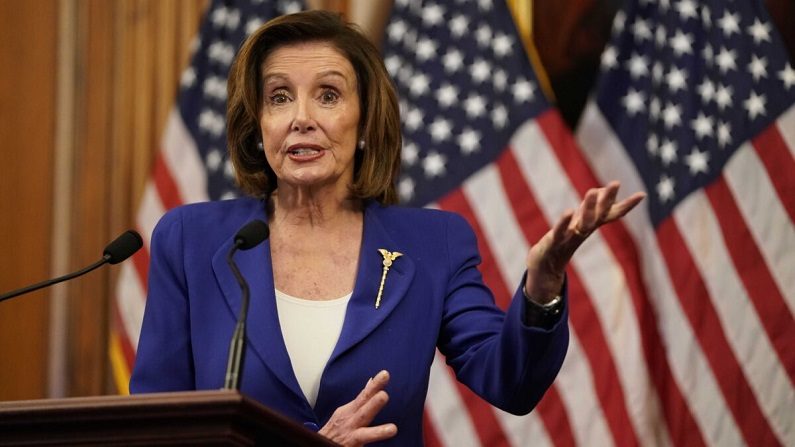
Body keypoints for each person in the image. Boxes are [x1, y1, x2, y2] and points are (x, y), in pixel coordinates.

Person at [130, 10, 645, 446]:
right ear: (257, 124)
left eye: (328, 96)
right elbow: (155, 429)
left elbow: (509, 382)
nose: (300, 118)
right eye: (279, 97)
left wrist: (544, 283)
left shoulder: (433, 244)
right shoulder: (192, 241)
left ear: (364, 122)